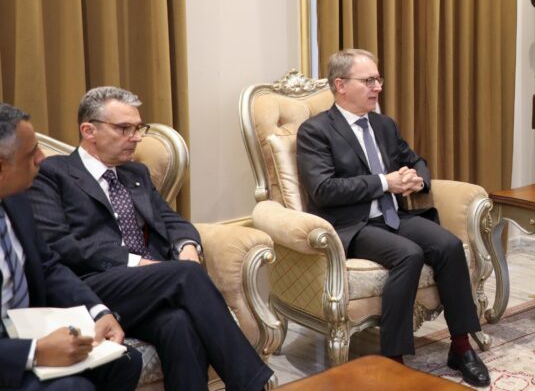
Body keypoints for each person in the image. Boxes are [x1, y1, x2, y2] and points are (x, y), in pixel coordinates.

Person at [28, 88, 272, 391]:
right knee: (186, 275)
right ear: (89, 131)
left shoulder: (136, 174)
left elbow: (171, 220)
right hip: (91, 285)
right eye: (124, 128)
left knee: (178, 322)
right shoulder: (52, 173)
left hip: (149, 288)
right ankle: (252, 383)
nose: (136, 138)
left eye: (138, 128)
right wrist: (138, 263)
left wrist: (188, 247)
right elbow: (59, 243)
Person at [296, 49, 490, 387]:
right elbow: (323, 189)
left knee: (448, 245)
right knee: (408, 254)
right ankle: (393, 360)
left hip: (393, 215)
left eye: (378, 79)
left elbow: (416, 160)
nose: (378, 87)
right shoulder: (316, 131)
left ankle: (461, 347)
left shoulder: (384, 125)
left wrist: (417, 179)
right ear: (341, 85)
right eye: (368, 80)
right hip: (353, 225)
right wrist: (385, 182)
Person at [0, 103, 142, 391]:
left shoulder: (16, 198)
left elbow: (48, 266)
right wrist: (34, 352)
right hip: (9, 354)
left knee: (125, 361)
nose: (42, 158)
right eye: (31, 154)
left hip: (26, 328)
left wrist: (98, 311)